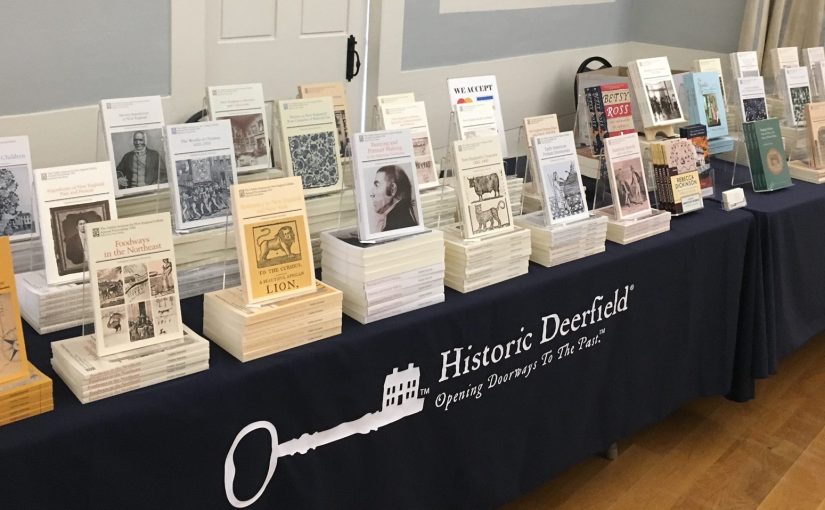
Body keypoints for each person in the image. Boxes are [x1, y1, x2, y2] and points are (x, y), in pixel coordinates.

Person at [369, 165, 417, 232]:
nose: (371, 194)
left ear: (392, 189)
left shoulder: (395, 226)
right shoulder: (403, 218)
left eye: (377, 185)